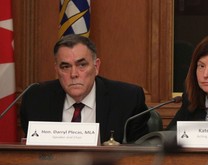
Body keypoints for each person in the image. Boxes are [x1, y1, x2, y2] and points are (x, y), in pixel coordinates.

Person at [20, 34, 150, 144]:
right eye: (65, 67)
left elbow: (140, 156)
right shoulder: (35, 99)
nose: (74, 74)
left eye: (82, 65)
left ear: (96, 66)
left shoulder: (127, 99)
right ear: (56, 70)